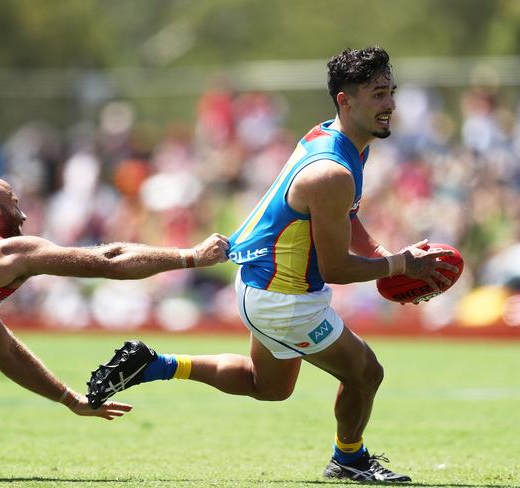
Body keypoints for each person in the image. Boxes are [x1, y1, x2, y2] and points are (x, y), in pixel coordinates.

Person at [87, 47, 459, 482]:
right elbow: (337, 269)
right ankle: (349, 459)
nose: (391, 104)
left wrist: (381, 256)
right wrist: (400, 266)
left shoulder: (333, 138)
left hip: (265, 287)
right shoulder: (332, 172)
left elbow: (347, 215)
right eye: (378, 94)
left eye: (391, 92)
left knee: (270, 387)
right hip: (284, 298)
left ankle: (156, 364)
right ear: (345, 100)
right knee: (366, 374)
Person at [0, 176, 229, 420]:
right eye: (14, 203)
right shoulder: (3, 251)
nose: (23, 214)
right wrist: (191, 256)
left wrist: (70, 400)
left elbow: (6, 352)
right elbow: (109, 260)